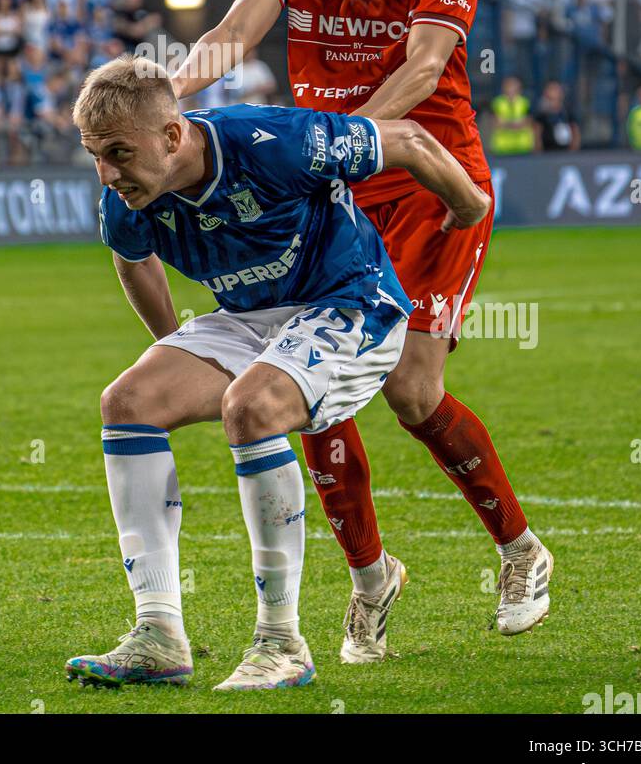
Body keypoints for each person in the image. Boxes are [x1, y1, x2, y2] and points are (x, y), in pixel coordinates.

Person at [170, 0, 552, 652]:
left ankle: (521, 549)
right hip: (336, 193)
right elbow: (236, 31)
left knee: (415, 391)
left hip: (429, 186)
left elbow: (423, 69)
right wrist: (166, 93)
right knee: (315, 392)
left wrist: (334, 143)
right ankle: (372, 579)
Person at [65, 55, 493, 689]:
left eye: (119, 153)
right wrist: (179, 350)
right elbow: (134, 261)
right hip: (248, 317)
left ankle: (281, 643)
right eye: (95, 155)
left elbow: (407, 139)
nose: (107, 172)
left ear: (173, 135)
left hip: (351, 303)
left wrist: (467, 205)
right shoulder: (126, 196)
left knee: (251, 406)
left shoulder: (271, 142)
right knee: (127, 401)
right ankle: (158, 636)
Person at [490, 75, 537, 154]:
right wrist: (517, 123)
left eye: (513, 86)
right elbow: (496, 123)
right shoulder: (497, 103)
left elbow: (528, 122)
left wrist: (506, 122)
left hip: (523, 147)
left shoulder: (525, 102)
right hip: (502, 148)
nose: (511, 89)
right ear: (503, 88)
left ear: (519, 88)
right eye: (509, 86)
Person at [534, 79, 580, 151]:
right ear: (545, 92)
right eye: (551, 89)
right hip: (547, 154)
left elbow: (575, 132)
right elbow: (537, 136)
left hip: (566, 153)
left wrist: (573, 150)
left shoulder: (567, 112)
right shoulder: (542, 114)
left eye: (556, 89)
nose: (554, 92)